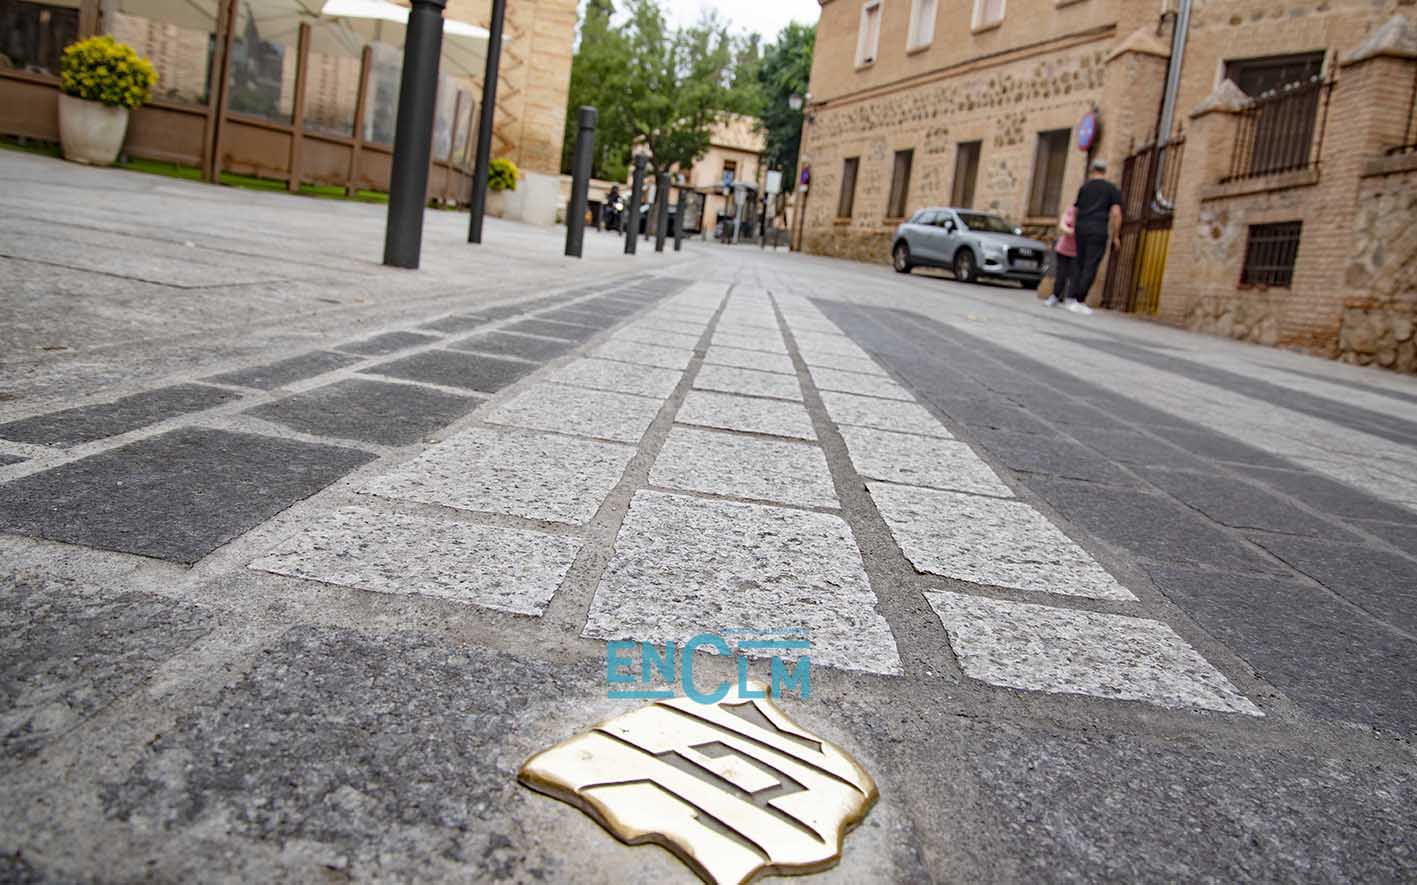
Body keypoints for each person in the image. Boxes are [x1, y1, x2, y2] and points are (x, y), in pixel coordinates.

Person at [1067, 159, 1123, 315]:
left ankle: (1072, 297)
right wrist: (1116, 236)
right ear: (1105, 171)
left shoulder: (1084, 187)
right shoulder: (1111, 189)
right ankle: (1080, 300)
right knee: (1090, 265)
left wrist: (1076, 228)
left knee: (1079, 263)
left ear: (1092, 170)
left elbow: (1076, 210)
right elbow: (1116, 213)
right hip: (1098, 229)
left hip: (1081, 228)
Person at [1044, 204, 1077, 308]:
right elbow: (1062, 225)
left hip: (1078, 251)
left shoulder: (1089, 214)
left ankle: (1071, 299)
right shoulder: (1071, 210)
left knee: (1075, 276)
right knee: (1061, 274)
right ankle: (1055, 297)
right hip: (1063, 249)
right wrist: (1071, 230)